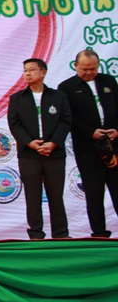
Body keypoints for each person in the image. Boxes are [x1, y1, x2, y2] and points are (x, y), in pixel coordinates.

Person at [8, 58, 72, 240]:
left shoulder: (58, 97)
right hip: (29, 154)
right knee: (33, 195)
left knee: (56, 195)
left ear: (43, 72)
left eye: (32, 70)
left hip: (54, 153)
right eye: (25, 70)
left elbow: (66, 121)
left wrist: (53, 143)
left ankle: (61, 233)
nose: (27, 73)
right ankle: (36, 233)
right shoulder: (17, 98)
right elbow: (14, 124)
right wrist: (30, 143)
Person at [58, 49, 118, 237]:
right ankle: (99, 233)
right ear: (76, 66)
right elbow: (68, 118)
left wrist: (116, 130)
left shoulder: (109, 81)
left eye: (93, 68)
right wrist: (90, 133)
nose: (89, 72)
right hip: (88, 148)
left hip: (114, 144)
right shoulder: (66, 87)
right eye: (84, 69)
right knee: (94, 192)